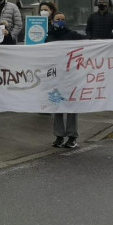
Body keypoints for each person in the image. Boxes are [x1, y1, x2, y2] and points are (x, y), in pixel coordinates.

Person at [47, 11, 86, 148]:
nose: (61, 21)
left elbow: (90, 43)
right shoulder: (49, 37)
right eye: (58, 19)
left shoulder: (73, 35)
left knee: (71, 105)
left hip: (70, 76)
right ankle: (59, 136)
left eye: (63, 19)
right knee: (57, 105)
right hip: (56, 76)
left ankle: (72, 136)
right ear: (52, 21)